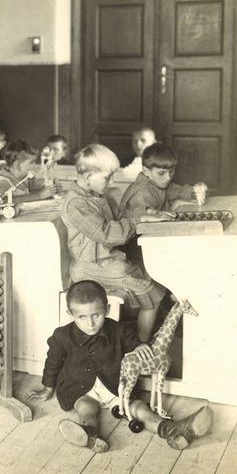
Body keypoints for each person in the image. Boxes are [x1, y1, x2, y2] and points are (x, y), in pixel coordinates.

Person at [26, 280, 214, 452]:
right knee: (85, 408)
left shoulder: (118, 329)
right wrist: (47, 388)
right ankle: (89, 433)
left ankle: (171, 430)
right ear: (70, 314)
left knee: (138, 408)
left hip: (115, 385)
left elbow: (132, 342)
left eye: (96, 315)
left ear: (106, 309)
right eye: (82, 317)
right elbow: (53, 362)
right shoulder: (62, 336)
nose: (90, 323)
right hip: (81, 387)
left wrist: (139, 345)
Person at [60, 144, 172, 343]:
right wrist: (138, 221)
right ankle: (140, 346)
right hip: (91, 267)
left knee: (154, 277)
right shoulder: (76, 204)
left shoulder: (97, 196)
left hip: (105, 260)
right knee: (152, 290)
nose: (111, 182)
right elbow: (108, 234)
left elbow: (120, 217)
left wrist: (146, 214)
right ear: (87, 177)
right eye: (107, 177)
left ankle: (137, 343)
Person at [0, 139, 61, 212]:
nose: (35, 166)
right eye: (32, 162)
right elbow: (1, 202)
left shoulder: (26, 177)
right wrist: (39, 195)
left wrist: (52, 187)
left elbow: (38, 188)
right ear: (18, 165)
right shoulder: (2, 182)